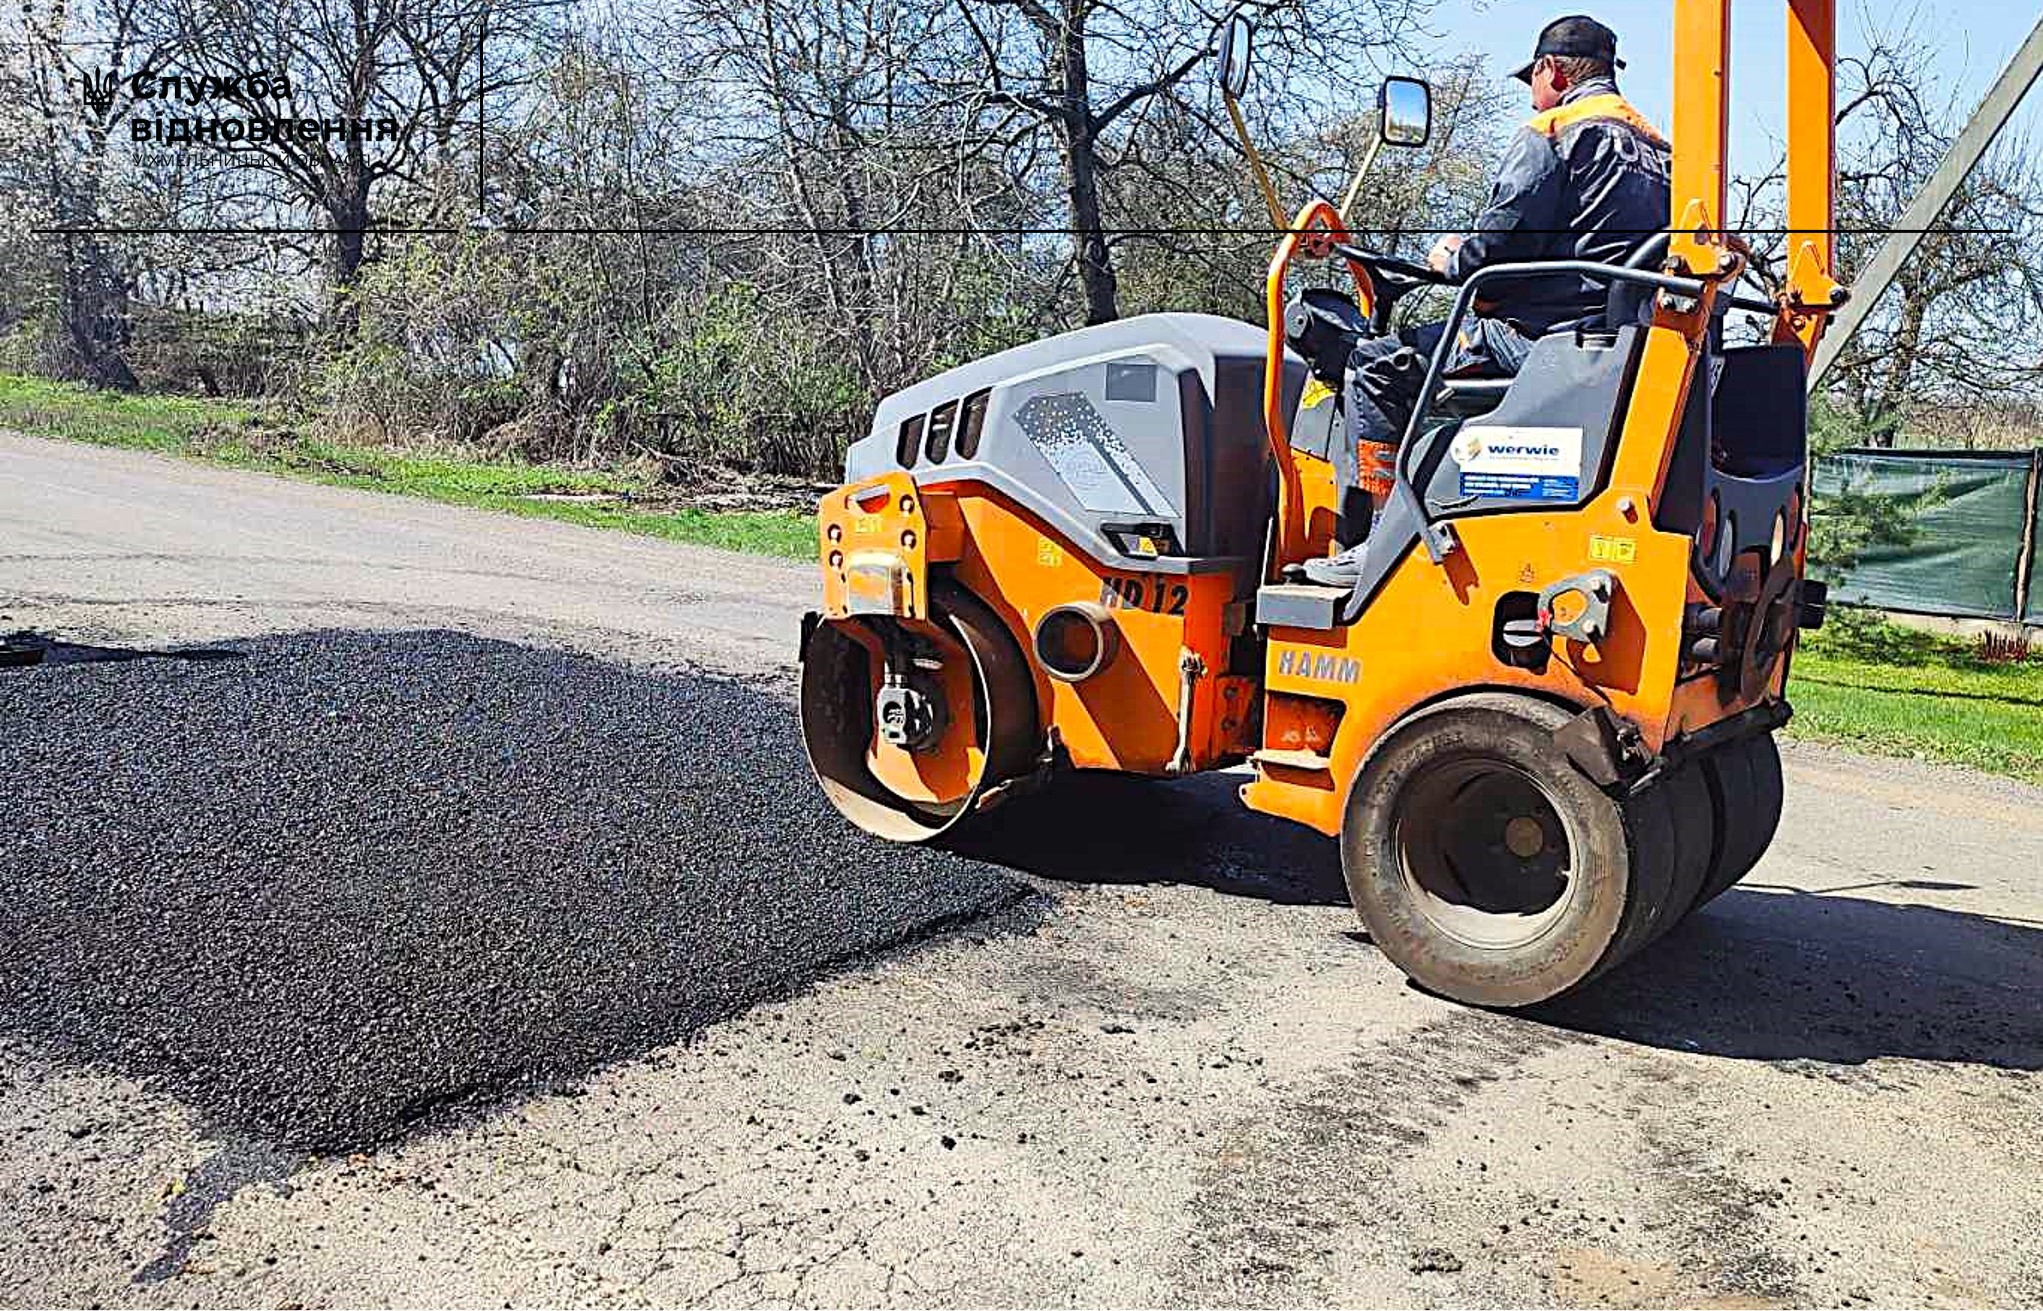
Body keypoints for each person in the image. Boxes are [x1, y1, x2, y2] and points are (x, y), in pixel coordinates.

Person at [1303, 14, 1670, 587]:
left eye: (1533, 79)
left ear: (1552, 70)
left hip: (1538, 339)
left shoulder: (1554, 131)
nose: (1531, 95)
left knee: (1374, 366)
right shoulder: (1660, 150)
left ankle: (1373, 544)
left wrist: (1450, 257)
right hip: (1617, 342)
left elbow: (1497, 250)